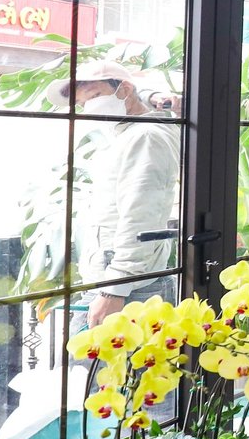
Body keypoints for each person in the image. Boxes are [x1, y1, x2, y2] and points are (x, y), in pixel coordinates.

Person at [55, 60, 181, 325]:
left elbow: (142, 215)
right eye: (82, 103)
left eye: (95, 96)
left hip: (127, 288)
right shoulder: (129, 133)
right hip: (119, 281)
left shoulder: (145, 136)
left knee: (96, 365)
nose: (88, 108)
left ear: (123, 90)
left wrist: (115, 287)